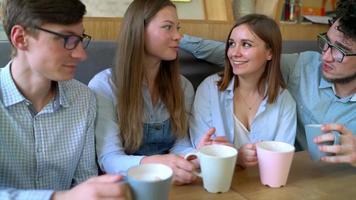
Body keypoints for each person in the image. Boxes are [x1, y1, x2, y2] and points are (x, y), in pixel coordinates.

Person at [180, 1, 356, 166]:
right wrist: (176, 39)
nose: (325, 56)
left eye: (341, 51)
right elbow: (244, 58)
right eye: (326, 43)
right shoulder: (303, 66)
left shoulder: (283, 100)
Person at [0, 0, 128, 199]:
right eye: (67, 39)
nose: (81, 54)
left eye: (80, 39)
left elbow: (85, 180)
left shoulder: (83, 98)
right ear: (21, 38)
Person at [88, 0, 209, 185]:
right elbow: (109, 159)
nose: (178, 36)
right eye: (168, 27)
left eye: (178, 27)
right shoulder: (104, 86)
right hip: (124, 186)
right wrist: (156, 164)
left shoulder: (183, 86)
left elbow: (181, 145)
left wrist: (194, 156)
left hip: (170, 184)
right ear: (139, 32)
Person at [189, 14, 296, 168]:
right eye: (232, 44)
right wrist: (237, 156)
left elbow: (282, 159)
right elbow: (203, 150)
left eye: (246, 44)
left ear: (270, 53)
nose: (234, 53)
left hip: (266, 186)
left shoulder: (284, 100)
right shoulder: (210, 89)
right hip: (219, 183)